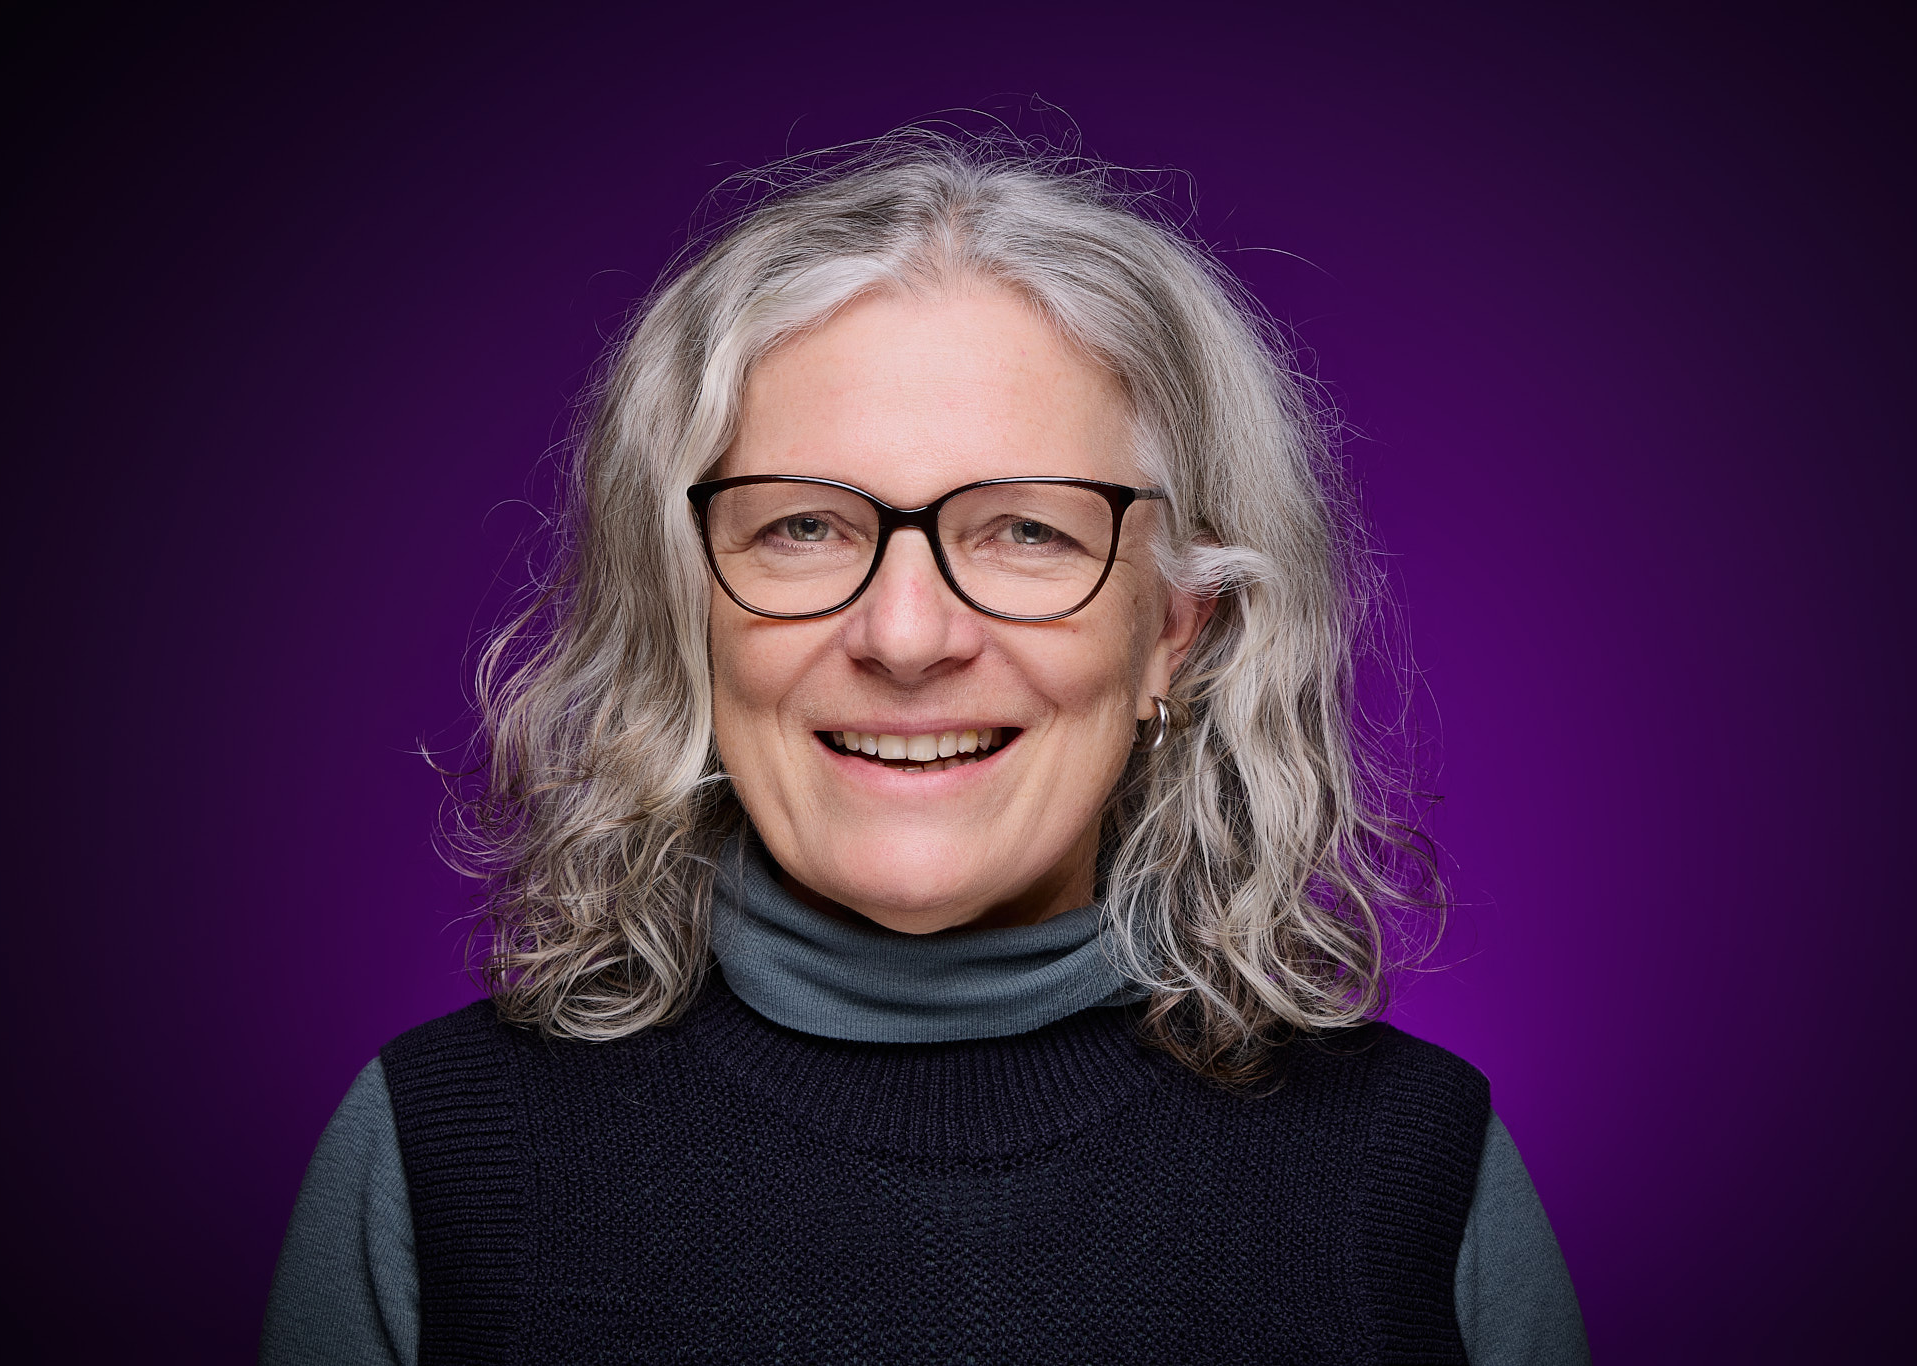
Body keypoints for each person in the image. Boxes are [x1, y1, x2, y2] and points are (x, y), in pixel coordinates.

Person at [261, 133, 1589, 1365]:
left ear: (1174, 634)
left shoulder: (1420, 1182)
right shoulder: (434, 1165)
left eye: (1028, 531)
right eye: (803, 527)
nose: (905, 635)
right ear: (688, 609)